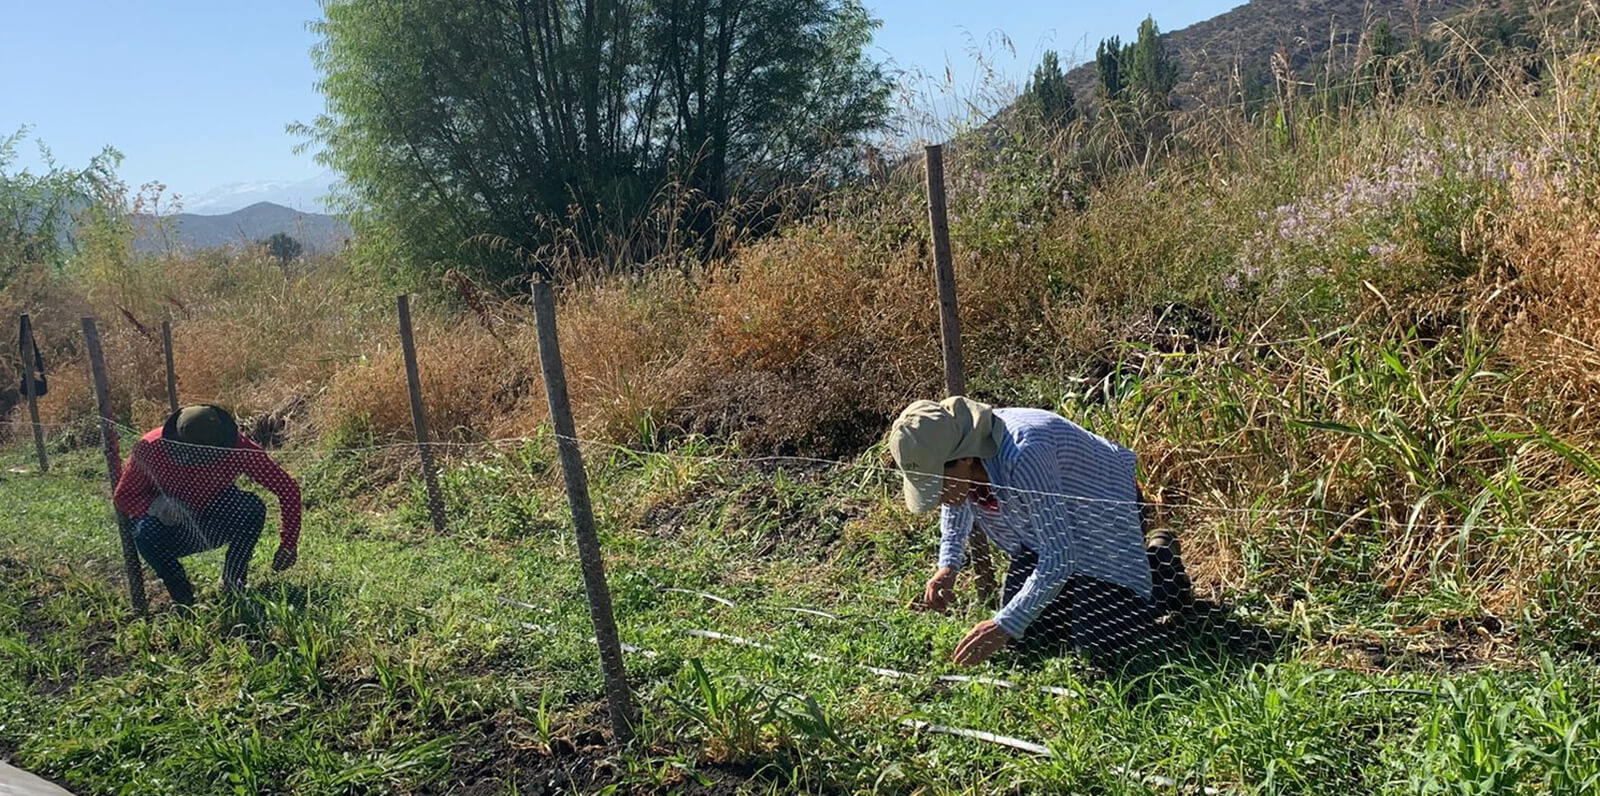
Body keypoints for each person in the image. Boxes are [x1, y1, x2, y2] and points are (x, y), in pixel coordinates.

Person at [888, 396, 1191, 666]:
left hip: (1106, 519)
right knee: (1028, 640)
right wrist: (948, 566)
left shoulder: (1022, 453)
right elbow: (956, 499)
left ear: (964, 457)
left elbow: (1060, 555)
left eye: (937, 484)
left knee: (1100, 648)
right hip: (1048, 534)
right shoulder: (961, 454)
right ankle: (1086, 589)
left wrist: (1004, 624)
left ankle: (1160, 564)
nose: (938, 496)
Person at [112, 405, 301, 606]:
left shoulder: (237, 447)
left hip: (212, 519)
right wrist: (156, 506)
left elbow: (286, 488)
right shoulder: (151, 448)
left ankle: (232, 581)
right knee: (145, 534)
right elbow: (123, 497)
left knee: (251, 508)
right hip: (170, 530)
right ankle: (183, 599)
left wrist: (288, 544)